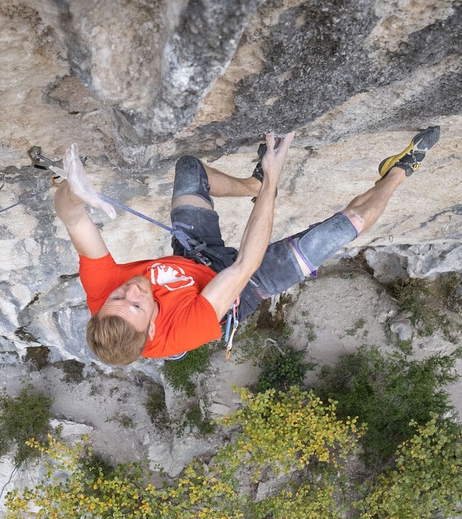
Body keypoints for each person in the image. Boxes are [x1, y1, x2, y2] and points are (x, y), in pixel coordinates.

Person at [54, 127, 441, 365]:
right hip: (243, 286)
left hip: (194, 255)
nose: (131, 289)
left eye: (118, 297)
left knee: (190, 168)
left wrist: (74, 193)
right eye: (137, 303)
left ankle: (249, 186)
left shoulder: (104, 300)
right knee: (344, 228)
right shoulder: (184, 329)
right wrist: (274, 180)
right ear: (153, 323)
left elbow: (72, 219)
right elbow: (243, 266)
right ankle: (398, 172)